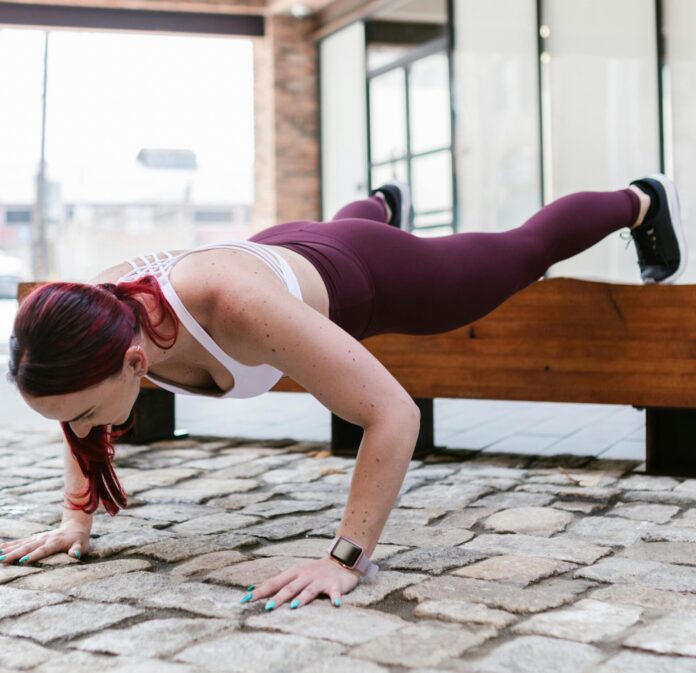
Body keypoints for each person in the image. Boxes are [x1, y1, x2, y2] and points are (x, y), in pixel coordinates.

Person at [2, 174, 686, 611]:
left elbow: (392, 414)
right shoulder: (90, 318)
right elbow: (77, 414)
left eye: (88, 413)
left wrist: (345, 558)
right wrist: (75, 522)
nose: (83, 428)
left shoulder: (239, 310)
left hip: (367, 273)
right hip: (281, 252)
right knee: (325, 232)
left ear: (132, 359)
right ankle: (380, 202)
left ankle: (639, 199)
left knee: (520, 253)